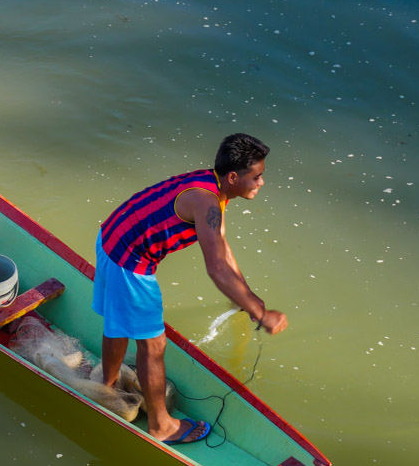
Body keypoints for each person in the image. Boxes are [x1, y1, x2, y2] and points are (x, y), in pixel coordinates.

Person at [93, 133, 289, 445]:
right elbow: (216, 269)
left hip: (111, 237)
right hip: (129, 263)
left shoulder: (209, 186)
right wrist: (260, 313)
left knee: (118, 324)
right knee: (153, 346)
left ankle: (108, 384)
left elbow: (221, 248)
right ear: (234, 177)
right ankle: (162, 426)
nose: (261, 182)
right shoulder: (207, 203)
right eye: (257, 176)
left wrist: (247, 296)